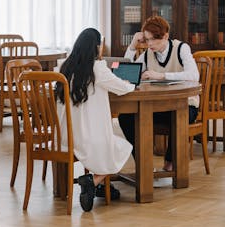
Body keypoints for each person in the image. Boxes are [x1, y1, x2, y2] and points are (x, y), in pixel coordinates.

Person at [56, 26, 134, 212]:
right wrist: (130, 84)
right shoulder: (97, 68)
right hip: (88, 139)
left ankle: (92, 183)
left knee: (112, 147)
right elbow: (122, 88)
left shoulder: (64, 67)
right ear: (97, 47)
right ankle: (94, 180)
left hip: (65, 138)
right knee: (124, 147)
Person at [121, 14, 200, 171]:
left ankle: (170, 161)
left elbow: (194, 75)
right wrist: (132, 46)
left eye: (153, 40)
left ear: (165, 36)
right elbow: (125, 73)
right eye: (147, 39)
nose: (149, 44)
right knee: (126, 118)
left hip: (186, 105)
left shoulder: (181, 48)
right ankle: (144, 163)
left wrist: (162, 76)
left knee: (177, 116)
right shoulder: (148, 54)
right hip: (159, 106)